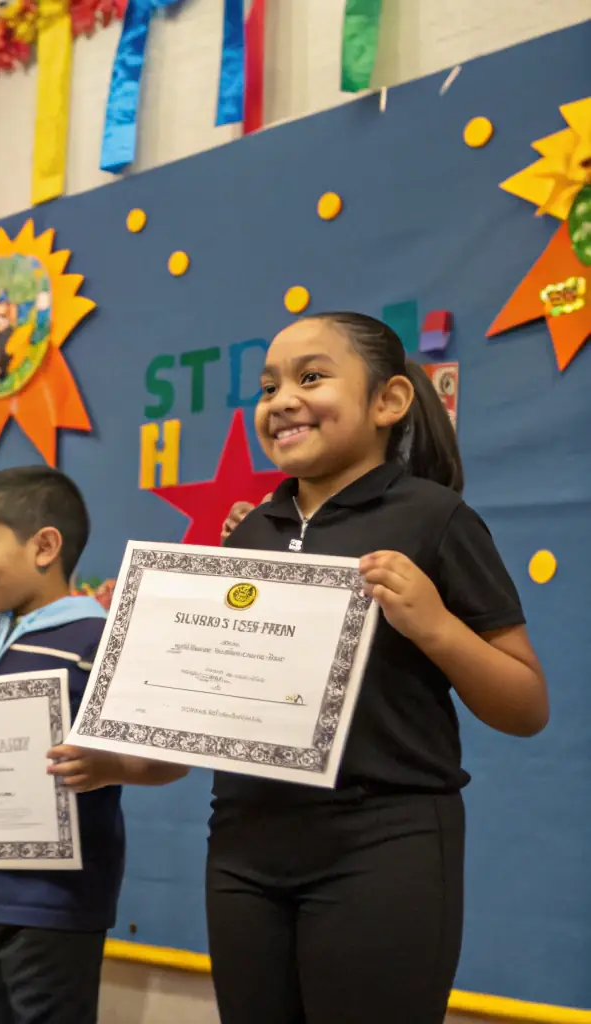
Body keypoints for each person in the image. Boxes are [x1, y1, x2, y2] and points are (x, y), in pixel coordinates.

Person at [211, 312, 547, 1024]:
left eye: (310, 377)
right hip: (243, 842)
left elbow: (525, 705)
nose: (279, 401)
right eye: (268, 387)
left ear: (388, 403)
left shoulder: (435, 519)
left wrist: (435, 626)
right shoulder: (248, 531)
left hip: (381, 840)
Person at [0, 466, 187, 1024]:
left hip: (56, 899)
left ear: (45, 545)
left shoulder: (96, 637)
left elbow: (170, 760)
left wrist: (105, 765)